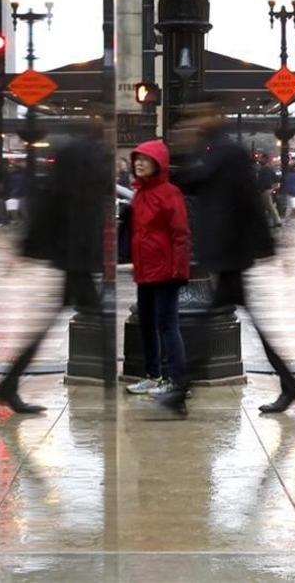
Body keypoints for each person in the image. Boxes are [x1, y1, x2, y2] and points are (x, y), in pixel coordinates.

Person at [164, 100, 295, 414]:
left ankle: (181, 389)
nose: (194, 120)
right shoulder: (215, 149)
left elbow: (223, 193)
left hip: (231, 251)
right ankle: (290, 385)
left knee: (209, 322)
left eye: (198, 114)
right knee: (243, 321)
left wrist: (268, 245)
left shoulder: (224, 152)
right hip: (230, 251)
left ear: (213, 115)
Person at [0, 135, 108, 413]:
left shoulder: (64, 186)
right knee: (100, 326)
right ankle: (111, 393)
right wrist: (21, 252)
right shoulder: (69, 189)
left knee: (54, 327)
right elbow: (46, 222)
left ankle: (7, 386)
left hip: (72, 263)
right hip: (72, 263)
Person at [123, 140, 191, 399]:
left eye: (145, 159)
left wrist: (178, 269)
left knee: (167, 325)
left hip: (166, 271)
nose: (139, 163)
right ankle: (152, 375)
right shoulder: (139, 194)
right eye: (136, 159)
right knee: (147, 324)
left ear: (158, 163)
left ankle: (176, 379)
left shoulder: (170, 193)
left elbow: (181, 234)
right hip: (145, 270)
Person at [256, 156, 282, 228]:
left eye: (262, 159)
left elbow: (262, 181)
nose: (260, 160)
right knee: (268, 205)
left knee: (269, 205)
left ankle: (276, 220)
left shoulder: (264, 169)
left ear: (265, 160)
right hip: (267, 189)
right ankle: (274, 221)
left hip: (265, 190)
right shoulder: (269, 169)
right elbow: (276, 178)